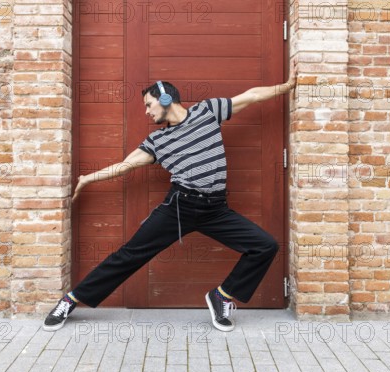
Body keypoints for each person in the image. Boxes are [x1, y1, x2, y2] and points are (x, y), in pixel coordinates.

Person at [43, 72, 296, 332]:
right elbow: (125, 166)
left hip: (215, 209)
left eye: (148, 105)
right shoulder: (158, 141)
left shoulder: (207, 112)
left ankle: (222, 296)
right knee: (130, 255)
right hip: (179, 207)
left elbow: (251, 96)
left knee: (265, 246)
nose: (146, 112)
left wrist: (286, 86)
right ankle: (70, 300)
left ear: (165, 99)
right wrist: (87, 178)